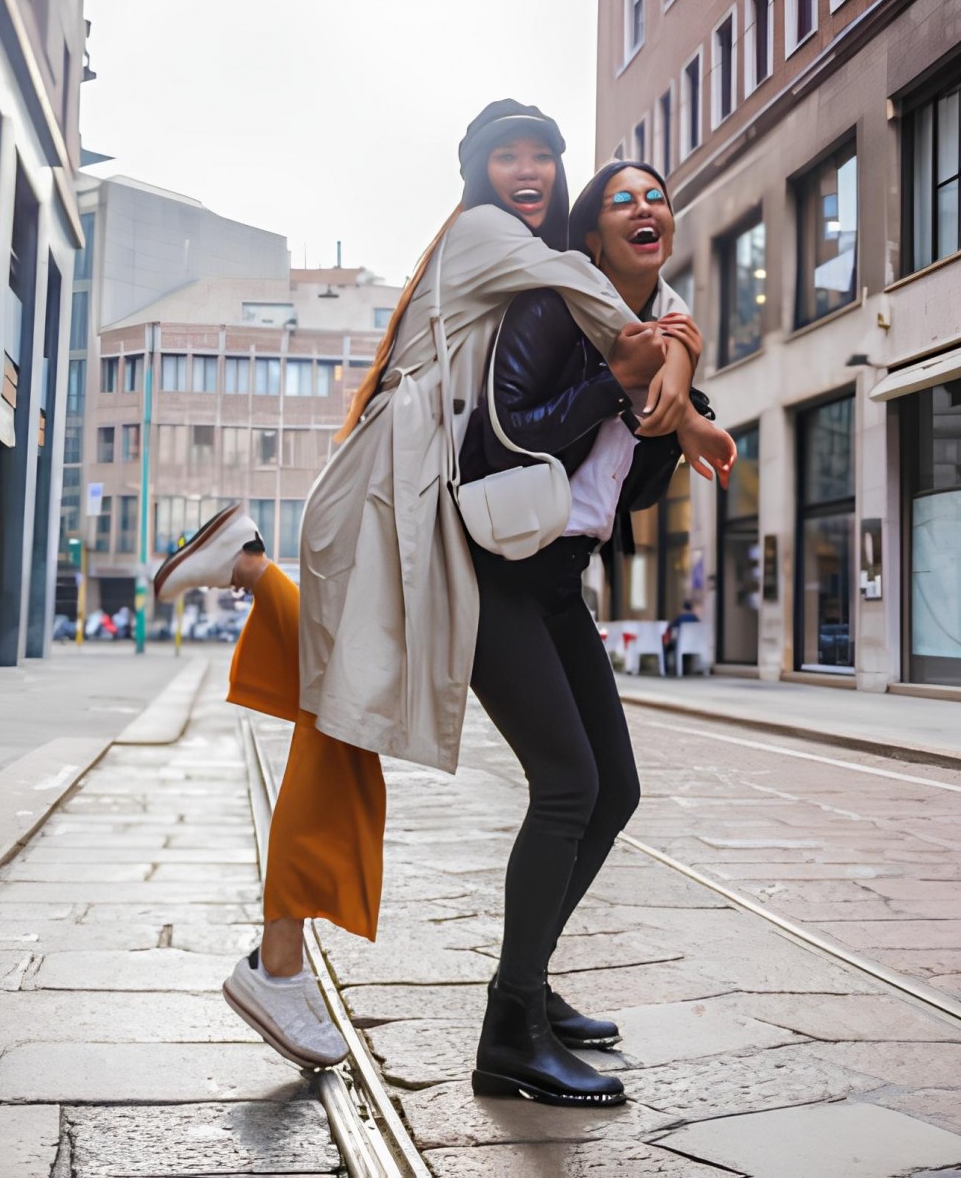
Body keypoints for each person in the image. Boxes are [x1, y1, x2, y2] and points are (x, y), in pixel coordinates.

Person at [151, 100, 700, 1071]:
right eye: (506, 156)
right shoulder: (497, 238)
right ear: (476, 171)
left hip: (416, 505)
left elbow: (609, 325)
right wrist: (682, 363)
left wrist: (677, 383)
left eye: (542, 156)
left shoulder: (512, 256)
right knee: (344, 715)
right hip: (391, 500)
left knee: (346, 700)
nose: (526, 171)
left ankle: (245, 564)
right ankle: (281, 967)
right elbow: (606, 311)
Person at [461, 160, 735, 1105]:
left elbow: (631, 488)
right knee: (568, 785)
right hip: (493, 570)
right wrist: (619, 381)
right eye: (621, 200)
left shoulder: (672, 327)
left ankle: (526, 984)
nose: (644, 208)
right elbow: (503, 436)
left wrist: (676, 407)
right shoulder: (549, 307)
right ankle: (509, 1033)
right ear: (590, 236)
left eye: (655, 197)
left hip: (558, 579)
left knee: (613, 788)